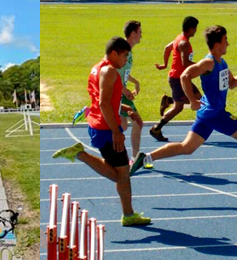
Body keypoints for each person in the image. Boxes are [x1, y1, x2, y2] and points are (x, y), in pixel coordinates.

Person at [130, 25, 237, 192]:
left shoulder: (221, 61)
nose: (228, 44)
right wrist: (192, 101)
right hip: (215, 114)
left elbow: (232, 84)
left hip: (208, 113)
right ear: (217, 45)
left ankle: (145, 158)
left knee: (186, 147)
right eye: (226, 41)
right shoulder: (208, 62)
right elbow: (185, 75)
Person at [52, 37, 151, 227]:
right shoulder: (110, 71)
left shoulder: (97, 68)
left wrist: (125, 108)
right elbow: (103, 102)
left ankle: (128, 214)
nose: (125, 61)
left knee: (121, 174)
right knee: (121, 175)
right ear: (114, 53)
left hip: (99, 124)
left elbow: (104, 100)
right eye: (124, 56)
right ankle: (80, 154)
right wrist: (116, 131)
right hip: (106, 128)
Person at [151, 16, 202, 143]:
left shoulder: (178, 39)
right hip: (178, 79)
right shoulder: (184, 43)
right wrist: (202, 67)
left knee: (198, 99)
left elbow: (167, 48)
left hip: (182, 78)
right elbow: (185, 63)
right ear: (190, 28)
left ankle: (169, 100)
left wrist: (164, 64)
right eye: (195, 28)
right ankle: (156, 128)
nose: (196, 31)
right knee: (179, 107)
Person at [117, 21, 146, 167]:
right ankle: (132, 158)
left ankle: (133, 158)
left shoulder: (129, 51)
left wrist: (135, 82)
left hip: (121, 92)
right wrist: (124, 90)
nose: (142, 35)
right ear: (133, 34)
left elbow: (123, 72)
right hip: (115, 93)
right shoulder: (123, 50)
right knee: (136, 122)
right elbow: (113, 74)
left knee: (125, 124)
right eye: (140, 32)